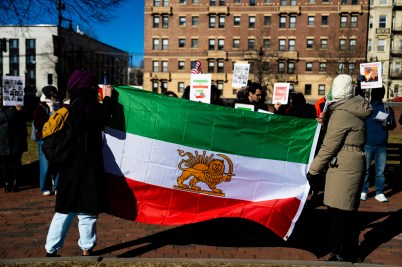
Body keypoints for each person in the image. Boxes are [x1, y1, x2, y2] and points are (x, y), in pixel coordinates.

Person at [45, 70, 118, 257]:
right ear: (88, 87)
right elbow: (100, 117)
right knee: (87, 212)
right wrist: (109, 99)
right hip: (86, 166)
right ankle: (86, 249)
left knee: (64, 211)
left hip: (69, 166)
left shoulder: (74, 102)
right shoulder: (87, 102)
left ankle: (51, 250)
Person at [307, 74, 372, 262]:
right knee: (348, 211)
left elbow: (329, 146)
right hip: (353, 162)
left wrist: (313, 170)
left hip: (342, 164)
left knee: (338, 213)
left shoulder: (342, 113)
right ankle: (351, 251)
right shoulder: (354, 108)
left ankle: (339, 253)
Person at [360, 86, 396, 202]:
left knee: (379, 172)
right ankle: (364, 191)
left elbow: (393, 124)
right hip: (368, 144)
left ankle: (379, 192)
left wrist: (387, 122)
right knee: (367, 170)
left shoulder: (386, 108)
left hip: (381, 145)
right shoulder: (367, 107)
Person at [33, 86, 60, 196]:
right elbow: (38, 123)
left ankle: (58, 186)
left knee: (58, 164)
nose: (56, 96)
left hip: (57, 139)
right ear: (49, 94)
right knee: (45, 165)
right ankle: (45, 186)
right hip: (44, 139)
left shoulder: (58, 106)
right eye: (54, 93)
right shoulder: (40, 107)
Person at [0, 102, 28, 192]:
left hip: (15, 141)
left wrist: (20, 111)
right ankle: (8, 183)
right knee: (6, 164)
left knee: (15, 163)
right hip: (3, 141)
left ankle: (15, 182)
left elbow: (24, 119)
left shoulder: (15, 108)